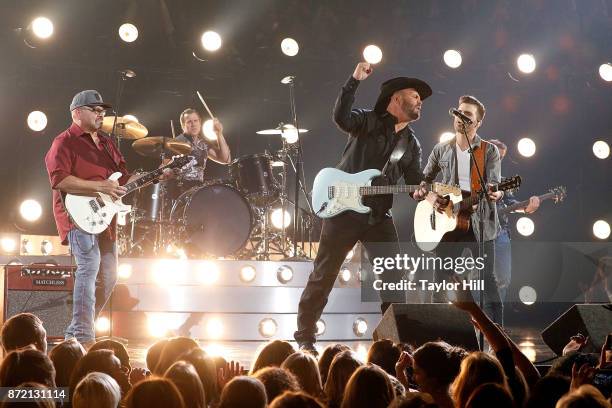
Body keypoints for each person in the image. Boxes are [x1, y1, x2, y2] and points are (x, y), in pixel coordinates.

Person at [294, 62, 431, 353]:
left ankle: (398, 344)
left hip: (378, 216)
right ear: (395, 98)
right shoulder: (368, 121)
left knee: (393, 278)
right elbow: (341, 117)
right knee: (324, 274)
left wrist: (425, 193)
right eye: (414, 95)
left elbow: (415, 180)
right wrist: (354, 80)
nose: (420, 100)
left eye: (421, 98)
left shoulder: (411, 143)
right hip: (343, 212)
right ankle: (305, 337)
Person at [45, 90, 163, 347]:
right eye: (94, 109)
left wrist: (159, 174)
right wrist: (100, 187)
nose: (101, 113)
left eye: (102, 110)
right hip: (77, 215)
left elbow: (124, 180)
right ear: (77, 113)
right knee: (89, 267)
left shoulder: (108, 145)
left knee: (109, 275)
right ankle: (85, 337)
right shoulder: (63, 142)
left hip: (105, 218)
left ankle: (75, 331)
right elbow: (60, 180)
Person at [414, 95, 504, 326]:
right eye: (459, 113)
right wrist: (432, 196)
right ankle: (438, 336)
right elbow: (423, 182)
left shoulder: (489, 151)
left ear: (478, 122)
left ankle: (498, 336)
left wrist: (498, 192)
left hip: (480, 222)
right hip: (447, 221)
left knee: (487, 281)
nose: (460, 118)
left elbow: (494, 183)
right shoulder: (441, 149)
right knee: (441, 278)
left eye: (468, 115)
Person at [488, 139, 540, 304]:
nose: (498, 159)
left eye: (501, 157)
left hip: (501, 231)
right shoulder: (469, 175)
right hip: (477, 232)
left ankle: (496, 323)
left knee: (503, 279)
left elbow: (510, 203)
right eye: (496, 154)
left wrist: (526, 208)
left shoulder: (503, 181)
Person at [169, 108, 231, 192]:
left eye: (195, 121)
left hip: (198, 189)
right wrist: (169, 172)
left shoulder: (203, 143)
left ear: (200, 123)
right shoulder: (175, 143)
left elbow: (225, 159)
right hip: (180, 190)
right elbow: (163, 169)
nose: (193, 124)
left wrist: (219, 133)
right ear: (183, 125)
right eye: (189, 122)